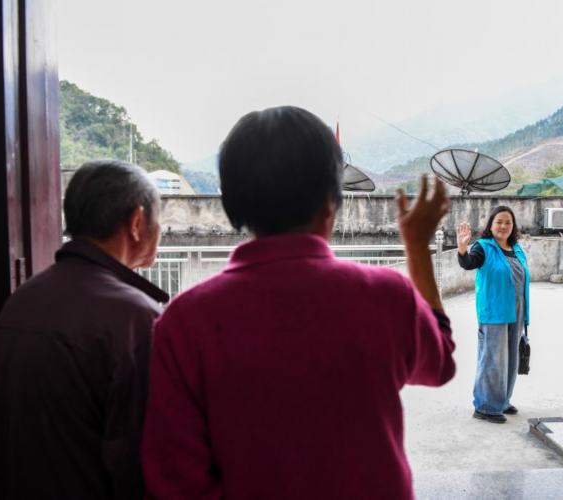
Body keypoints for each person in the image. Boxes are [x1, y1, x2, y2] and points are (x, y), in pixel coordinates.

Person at [141, 106, 456, 500]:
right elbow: (439, 364)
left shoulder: (183, 323)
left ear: (232, 204)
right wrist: (417, 249)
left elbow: (175, 481)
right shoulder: (387, 295)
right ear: (331, 201)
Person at [0, 160, 169, 500]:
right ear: (137, 222)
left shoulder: (22, 300)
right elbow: (142, 461)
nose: (161, 229)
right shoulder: (135, 317)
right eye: (160, 219)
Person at [456, 206, 530, 424]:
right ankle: (485, 407)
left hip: (516, 311)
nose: (503, 226)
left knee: (510, 360)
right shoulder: (484, 247)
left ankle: (502, 401)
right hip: (494, 312)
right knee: (493, 360)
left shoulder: (517, 249)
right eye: (499, 222)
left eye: (508, 222)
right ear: (491, 224)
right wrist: (462, 248)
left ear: (513, 226)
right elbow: (469, 263)